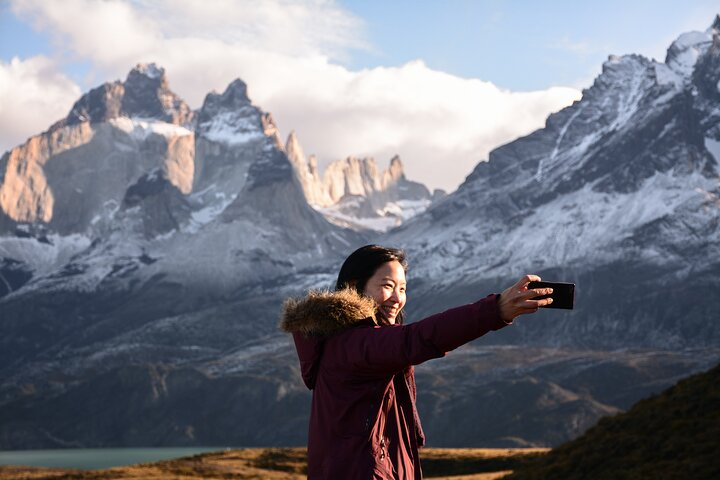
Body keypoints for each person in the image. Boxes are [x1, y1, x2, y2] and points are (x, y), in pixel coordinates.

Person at [280, 245, 553, 479]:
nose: (398, 299)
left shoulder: (354, 341)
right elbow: (417, 339)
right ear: (353, 286)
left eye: (403, 288)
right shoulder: (352, 344)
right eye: (387, 286)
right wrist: (494, 310)